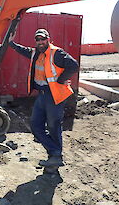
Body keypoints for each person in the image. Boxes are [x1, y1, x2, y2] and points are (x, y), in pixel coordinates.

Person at [9, 28, 79, 168]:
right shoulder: (35, 52)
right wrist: (11, 43)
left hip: (54, 95)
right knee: (35, 125)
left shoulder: (56, 53)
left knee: (53, 126)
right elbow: (23, 50)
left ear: (48, 39)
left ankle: (56, 156)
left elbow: (73, 66)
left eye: (43, 39)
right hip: (42, 95)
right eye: (38, 40)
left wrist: (61, 79)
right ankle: (54, 151)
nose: (40, 42)